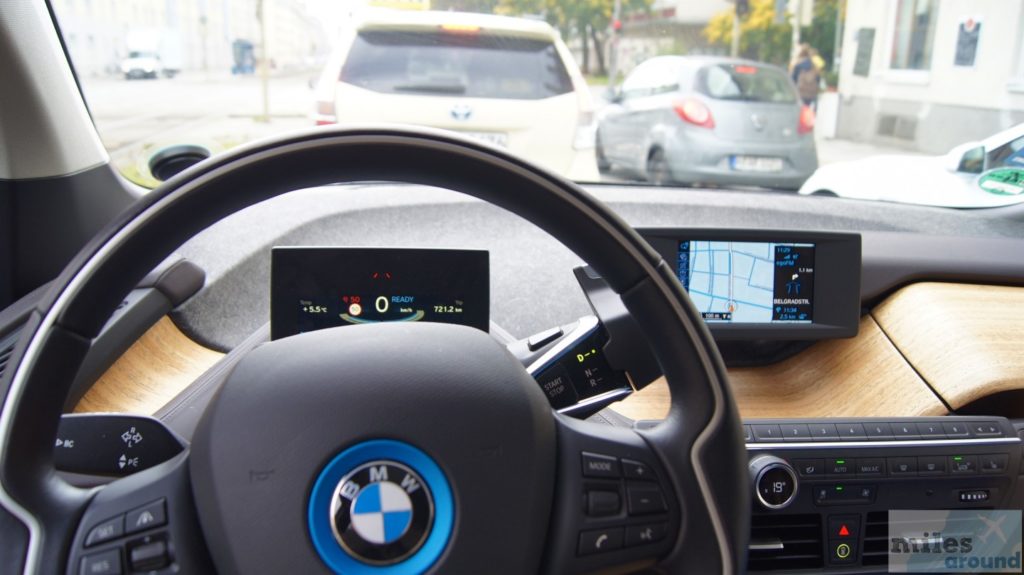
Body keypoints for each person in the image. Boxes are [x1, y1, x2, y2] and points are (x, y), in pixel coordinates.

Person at [791, 45, 820, 110]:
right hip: (811, 94)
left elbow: (793, 80)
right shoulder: (813, 65)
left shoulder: (798, 66)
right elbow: (818, 79)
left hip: (800, 93)